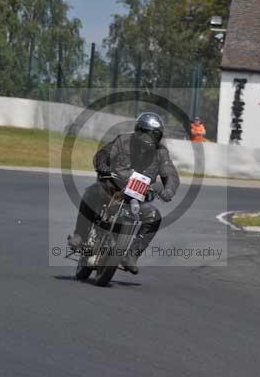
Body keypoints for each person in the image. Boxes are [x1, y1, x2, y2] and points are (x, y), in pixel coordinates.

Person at [68, 112, 180, 274]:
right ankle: (79, 234)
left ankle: (132, 255)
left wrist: (169, 190)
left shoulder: (161, 152)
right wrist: (103, 166)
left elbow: (170, 173)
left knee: (154, 217)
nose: (149, 137)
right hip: (113, 185)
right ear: (138, 129)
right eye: (145, 131)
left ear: (159, 136)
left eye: (154, 134)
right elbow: (104, 154)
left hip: (139, 194)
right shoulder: (123, 140)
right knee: (92, 192)